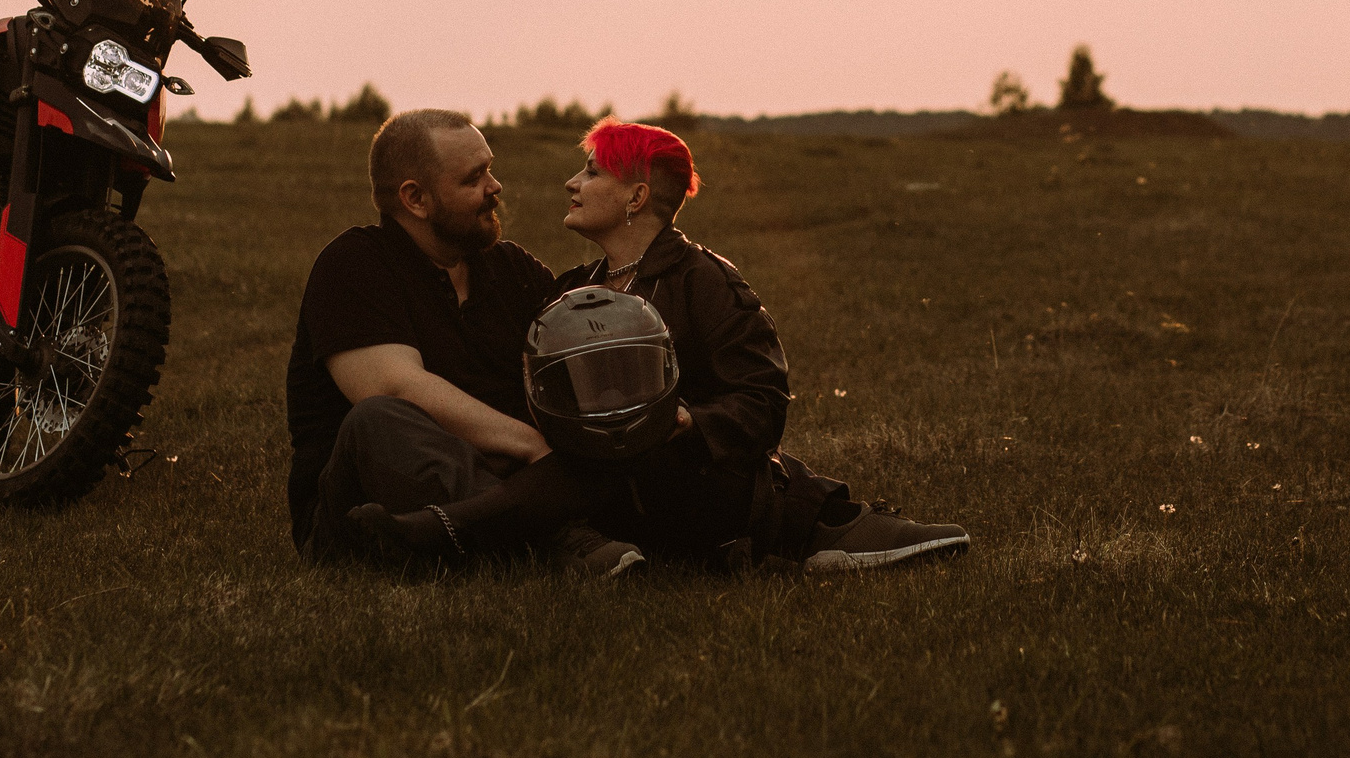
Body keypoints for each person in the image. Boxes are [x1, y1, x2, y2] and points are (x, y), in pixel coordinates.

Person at [351, 119, 969, 573]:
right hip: (616, 485)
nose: (572, 182)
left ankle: (434, 534)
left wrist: (687, 422)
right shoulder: (570, 294)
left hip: (694, 476)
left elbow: (761, 398)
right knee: (574, 473)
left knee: (594, 474)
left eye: (591, 172)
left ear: (636, 197)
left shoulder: (704, 280)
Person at [283, 107, 642, 576]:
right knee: (377, 419)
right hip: (369, 499)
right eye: (474, 178)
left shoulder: (509, 269)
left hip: (508, 477)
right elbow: (393, 387)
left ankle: (478, 535)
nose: (495, 187)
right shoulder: (353, 265)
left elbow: (578, 353)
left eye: (489, 169)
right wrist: (535, 448)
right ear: (415, 199)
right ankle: (556, 536)